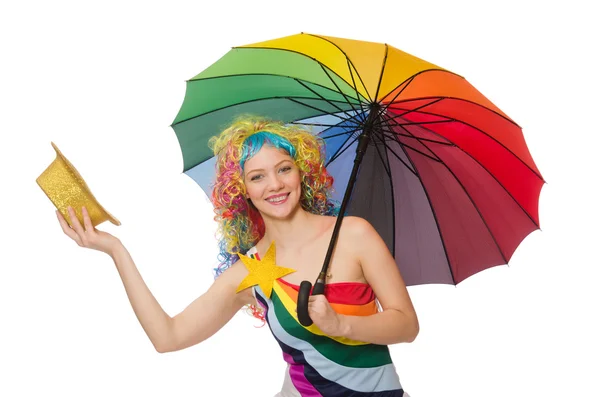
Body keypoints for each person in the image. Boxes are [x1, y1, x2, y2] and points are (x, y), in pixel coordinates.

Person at [56, 115, 419, 396]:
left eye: (283, 169)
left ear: (301, 172)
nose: (274, 185)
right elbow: (168, 336)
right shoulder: (252, 270)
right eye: (257, 177)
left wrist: (342, 326)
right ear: (241, 189)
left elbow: (407, 324)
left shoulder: (354, 233)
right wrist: (115, 250)